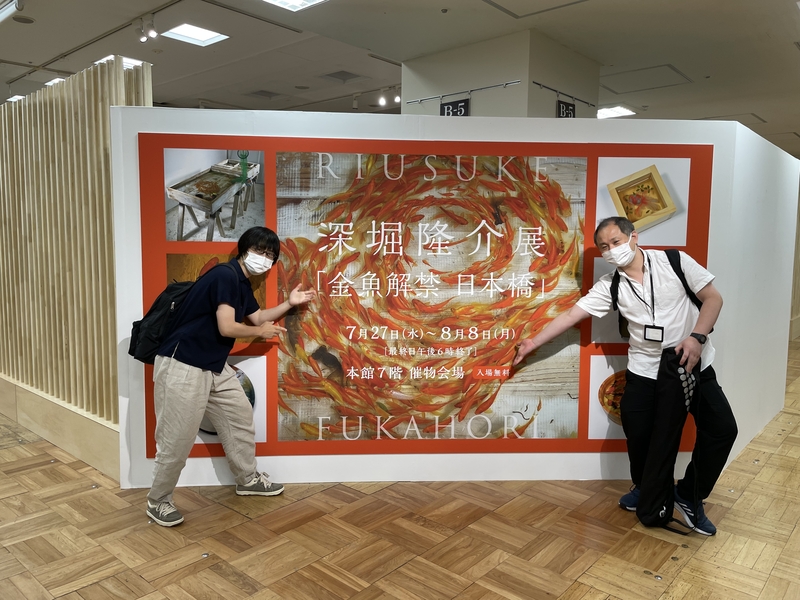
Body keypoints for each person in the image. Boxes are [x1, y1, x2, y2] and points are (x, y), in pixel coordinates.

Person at [513, 216, 737, 535]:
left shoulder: (674, 261)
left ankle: (689, 496)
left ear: (634, 237)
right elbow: (572, 314)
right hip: (644, 371)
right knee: (639, 433)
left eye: (616, 241)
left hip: (690, 364)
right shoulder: (611, 285)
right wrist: (533, 342)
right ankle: (645, 488)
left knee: (722, 429)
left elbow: (713, 298)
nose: (611, 250)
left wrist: (697, 337)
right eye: (604, 247)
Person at [146, 226, 316, 527]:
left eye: (270, 255)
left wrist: (290, 303)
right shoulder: (225, 275)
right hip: (183, 364)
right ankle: (158, 500)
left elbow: (258, 316)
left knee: (239, 416)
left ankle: (247, 479)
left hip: (213, 365)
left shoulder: (241, 283)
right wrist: (259, 332)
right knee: (177, 438)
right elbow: (227, 327)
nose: (264, 258)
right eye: (260, 250)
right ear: (244, 248)